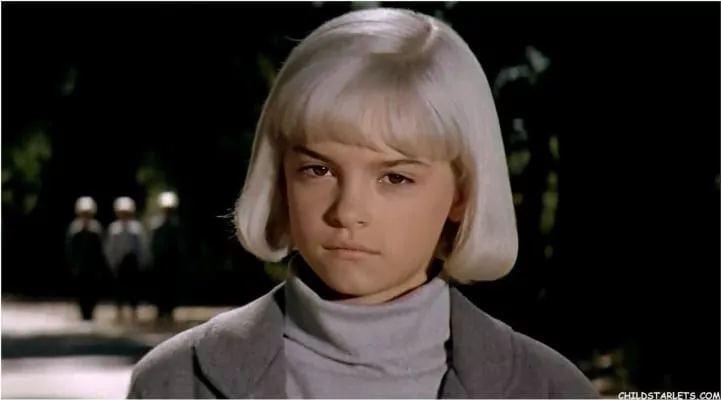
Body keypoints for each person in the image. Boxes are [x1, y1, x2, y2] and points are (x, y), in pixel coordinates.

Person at [127, 7, 600, 399]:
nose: (347, 212)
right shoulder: (175, 381)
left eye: (395, 177)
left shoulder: (550, 388)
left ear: (461, 193)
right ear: (281, 176)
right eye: (318, 170)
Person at [106, 196, 148, 321]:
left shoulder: (136, 228)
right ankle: (119, 311)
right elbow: (110, 248)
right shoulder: (114, 229)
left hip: (132, 262)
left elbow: (142, 246)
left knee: (133, 289)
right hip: (120, 263)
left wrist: (142, 261)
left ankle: (134, 311)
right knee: (119, 289)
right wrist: (112, 262)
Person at [65, 196, 107, 321]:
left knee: (93, 289)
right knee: (81, 289)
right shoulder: (74, 229)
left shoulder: (96, 229)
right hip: (80, 266)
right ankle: (83, 311)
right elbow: (70, 249)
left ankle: (91, 311)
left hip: (93, 266)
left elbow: (101, 248)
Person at [148, 191, 183, 323]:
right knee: (159, 287)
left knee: (171, 287)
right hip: (160, 262)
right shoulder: (157, 225)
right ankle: (160, 310)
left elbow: (179, 244)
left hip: (172, 261)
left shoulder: (175, 225)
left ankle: (169, 310)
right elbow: (153, 244)